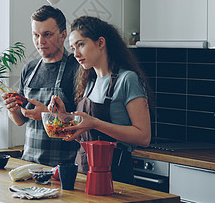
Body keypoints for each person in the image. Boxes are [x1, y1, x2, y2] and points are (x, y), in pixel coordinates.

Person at [49, 15, 152, 184]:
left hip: (115, 177)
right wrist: (65, 119)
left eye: (81, 44)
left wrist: (95, 123)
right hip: (83, 172)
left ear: (101, 43)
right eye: (73, 48)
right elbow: (86, 137)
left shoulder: (127, 79)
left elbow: (143, 137)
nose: (76, 54)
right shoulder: (89, 82)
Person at [2, 5, 80, 167]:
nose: (40, 41)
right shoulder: (29, 69)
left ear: (63, 35)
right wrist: (13, 109)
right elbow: (20, 121)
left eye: (47, 35)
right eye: (35, 35)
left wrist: (46, 115)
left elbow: (83, 123)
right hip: (29, 163)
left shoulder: (77, 68)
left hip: (64, 167)